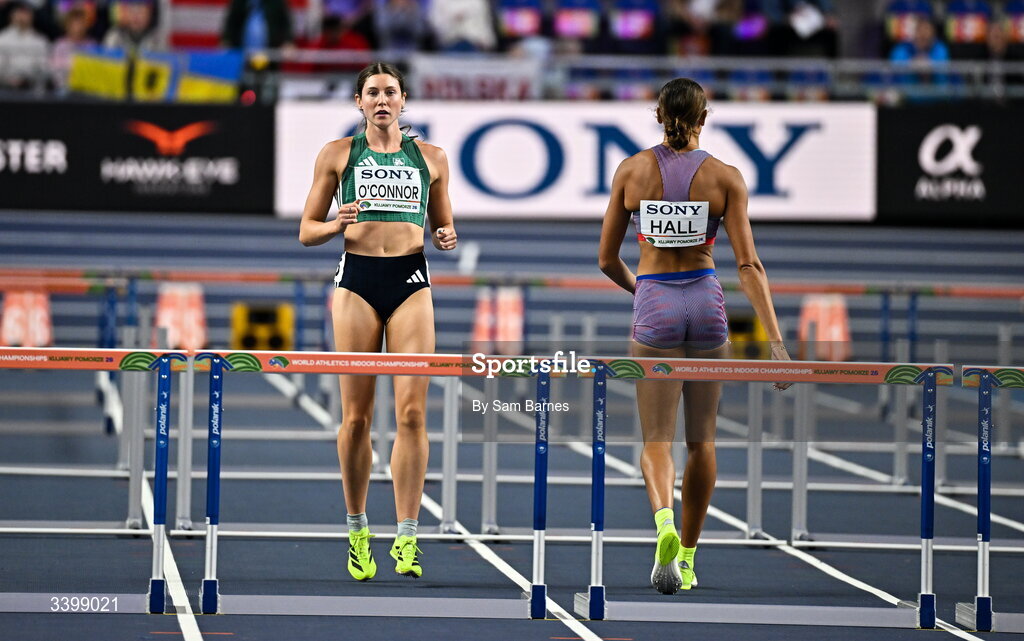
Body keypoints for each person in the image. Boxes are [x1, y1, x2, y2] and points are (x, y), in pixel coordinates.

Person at [597, 77, 790, 595]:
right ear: (705, 117)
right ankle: (686, 553)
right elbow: (748, 265)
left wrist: (643, 291)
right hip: (707, 305)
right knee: (702, 441)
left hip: (656, 302)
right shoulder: (726, 178)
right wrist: (775, 342)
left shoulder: (632, 171)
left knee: (655, 438)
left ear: (659, 115)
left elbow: (605, 259)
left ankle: (663, 521)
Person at [299, 62, 457, 582]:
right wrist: (335, 222)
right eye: (372, 92)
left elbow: (443, 222)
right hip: (356, 284)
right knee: (357, 418)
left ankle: (407, 537)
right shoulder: (338, 154)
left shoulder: (431, 159)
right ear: (359, 103)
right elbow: (306, 231)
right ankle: (358, 530)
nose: (382, 99)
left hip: (411, 281)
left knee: (413, 414)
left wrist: (446, 236)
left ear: (404, 100)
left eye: (390, 91)